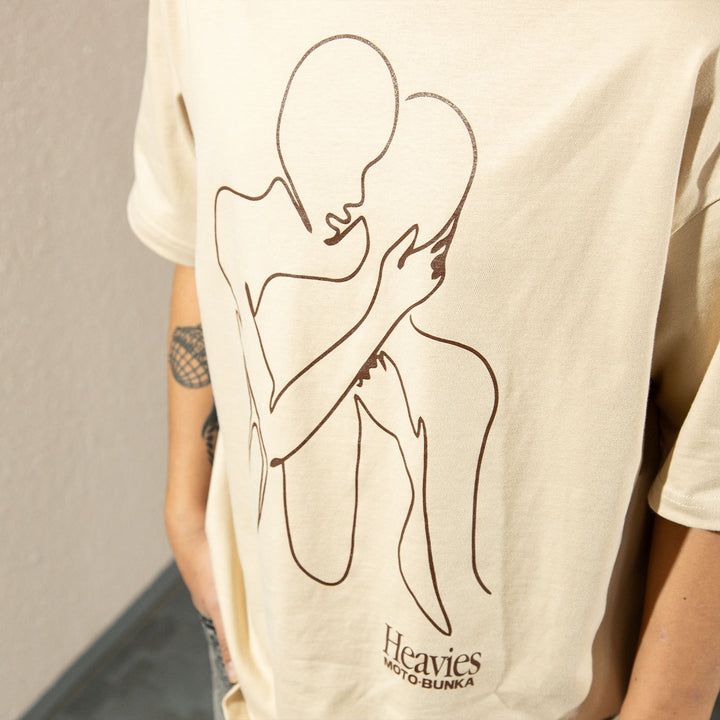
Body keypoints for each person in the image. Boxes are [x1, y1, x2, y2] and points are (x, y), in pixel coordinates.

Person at [128, 1, 720, 718]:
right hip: (266, 666)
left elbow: (708, 450)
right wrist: (188, 512)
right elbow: (197, 229)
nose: (354, 203)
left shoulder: (676, 32)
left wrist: (668, 707)